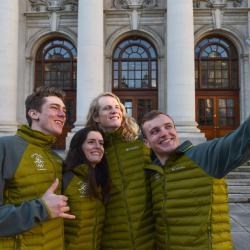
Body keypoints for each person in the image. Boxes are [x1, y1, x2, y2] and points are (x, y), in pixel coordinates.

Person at [141, 110, 250, 250]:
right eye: (155, 131)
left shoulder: (204, 155)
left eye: (168, 127)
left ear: (175, 130)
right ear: (147, 142)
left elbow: (243, 137)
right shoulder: (152, 174)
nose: (164, 133)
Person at [0, 86, 75, 249]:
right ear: (34, 114)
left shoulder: (54, 158)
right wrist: (41, 208)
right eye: (54, 108)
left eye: (63, 109)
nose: (63, 114)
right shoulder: (6, 147)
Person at [85, 92, 154, 250]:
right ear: (96, 117)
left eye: (117, 107)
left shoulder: (141, 144)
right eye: (107, 108)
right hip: (112, 238)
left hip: (147, 236)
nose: (114, 111)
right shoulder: (89, 152)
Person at [63, 127, 110, 250]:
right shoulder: (66, 178)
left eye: (101, 143)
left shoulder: (103, 179)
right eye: (91, 142)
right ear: (79, 147)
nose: (98, 146)